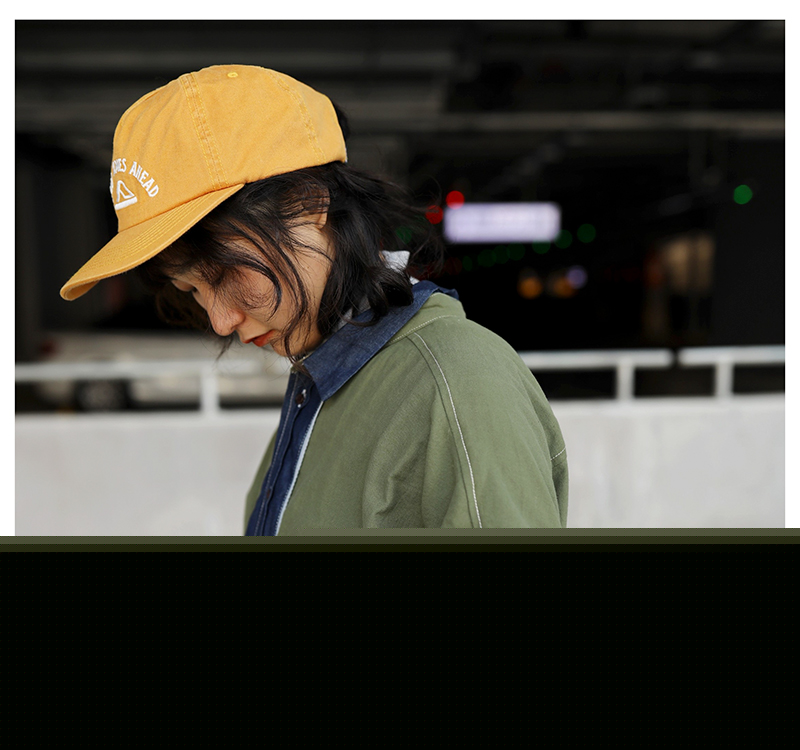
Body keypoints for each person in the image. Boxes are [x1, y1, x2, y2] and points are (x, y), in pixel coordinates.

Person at [61, 65, 568, 533]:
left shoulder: (456, 385)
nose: (218, 320)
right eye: (190, 289)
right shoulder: (321, 378)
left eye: (225, 272)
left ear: (307, 202)